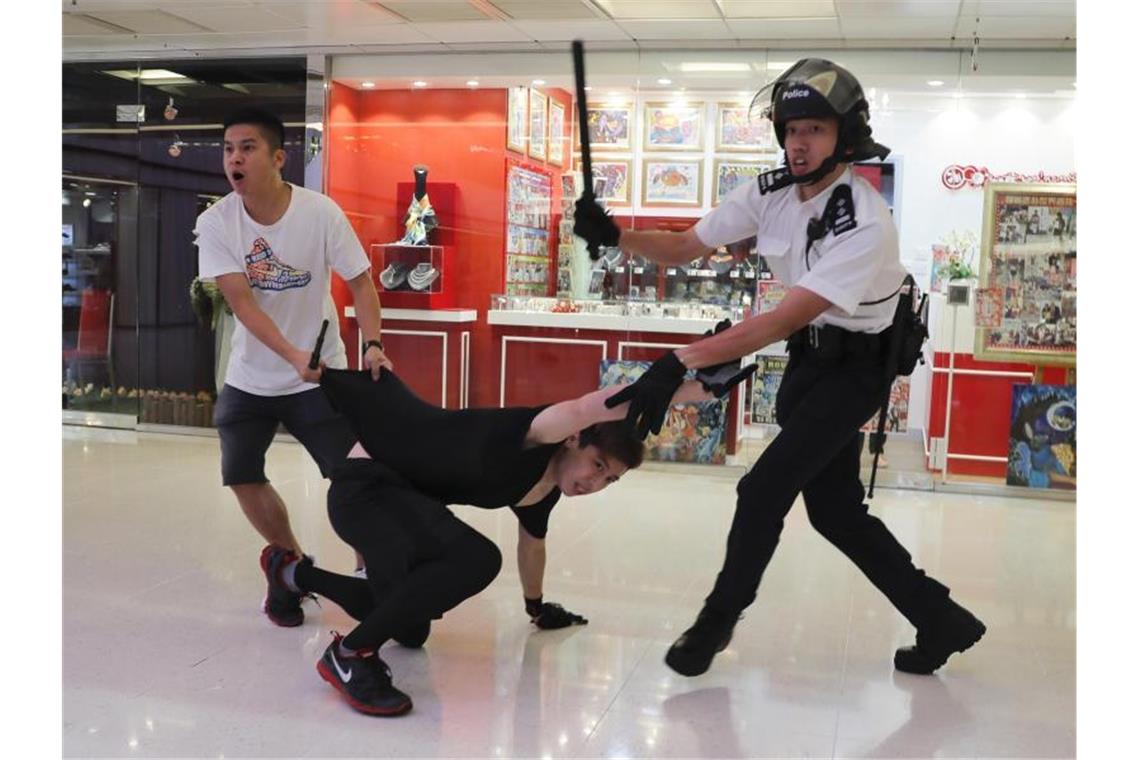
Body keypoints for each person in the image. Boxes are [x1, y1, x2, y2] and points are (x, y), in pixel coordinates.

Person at [573, 58, 985, 678]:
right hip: (810, 363)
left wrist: (677, 359)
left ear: (845, 136)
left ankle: (715, 622)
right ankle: (943, 619)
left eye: (814, 129)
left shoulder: (865, 220)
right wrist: (617, 236)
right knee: (836, 512)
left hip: (855, 372)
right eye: (791, 128)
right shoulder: (769, 192)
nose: (798, 142)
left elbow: (778, 320)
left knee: (762, 488)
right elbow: (689, 244)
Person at [260, 364, 749, 716]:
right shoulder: (536, 434)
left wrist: (536, 608)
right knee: (476, 558)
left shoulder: (542, 493)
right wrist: (690, 389)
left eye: (609, 482)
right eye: (598, 467)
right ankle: (348, 655)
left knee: (409, 625)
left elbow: (532, 545)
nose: (594, 484)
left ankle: (291, 573)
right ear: (577, 439)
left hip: (397, 502)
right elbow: (584, 406)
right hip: (366, 488)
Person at [195, 107, 392, 627]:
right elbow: (244, 306)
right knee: (241, 474)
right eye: (228, 149)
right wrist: (290, 355)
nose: (234, 158)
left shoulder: (320, 213)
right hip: (251, 376)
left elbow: (362, 284)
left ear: (279, 158)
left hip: (322, 374)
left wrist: (372, 343)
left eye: (247, 148)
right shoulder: (216, 222)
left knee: (354, 476)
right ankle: (291, 565)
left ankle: (371, 574)